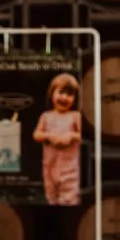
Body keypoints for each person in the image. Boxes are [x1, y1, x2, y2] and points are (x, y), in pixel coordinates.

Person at [34, 72, 85, 207]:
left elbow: (83, 135)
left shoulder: (75, 116)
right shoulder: (46, 116)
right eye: (61, 92)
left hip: (69, 168)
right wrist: (49, 136)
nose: (64, 98)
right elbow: (36, 135)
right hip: (50, 165)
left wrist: (72, 136)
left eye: (69, 95)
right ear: (52, 93)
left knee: (69, 198)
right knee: (51, 196)